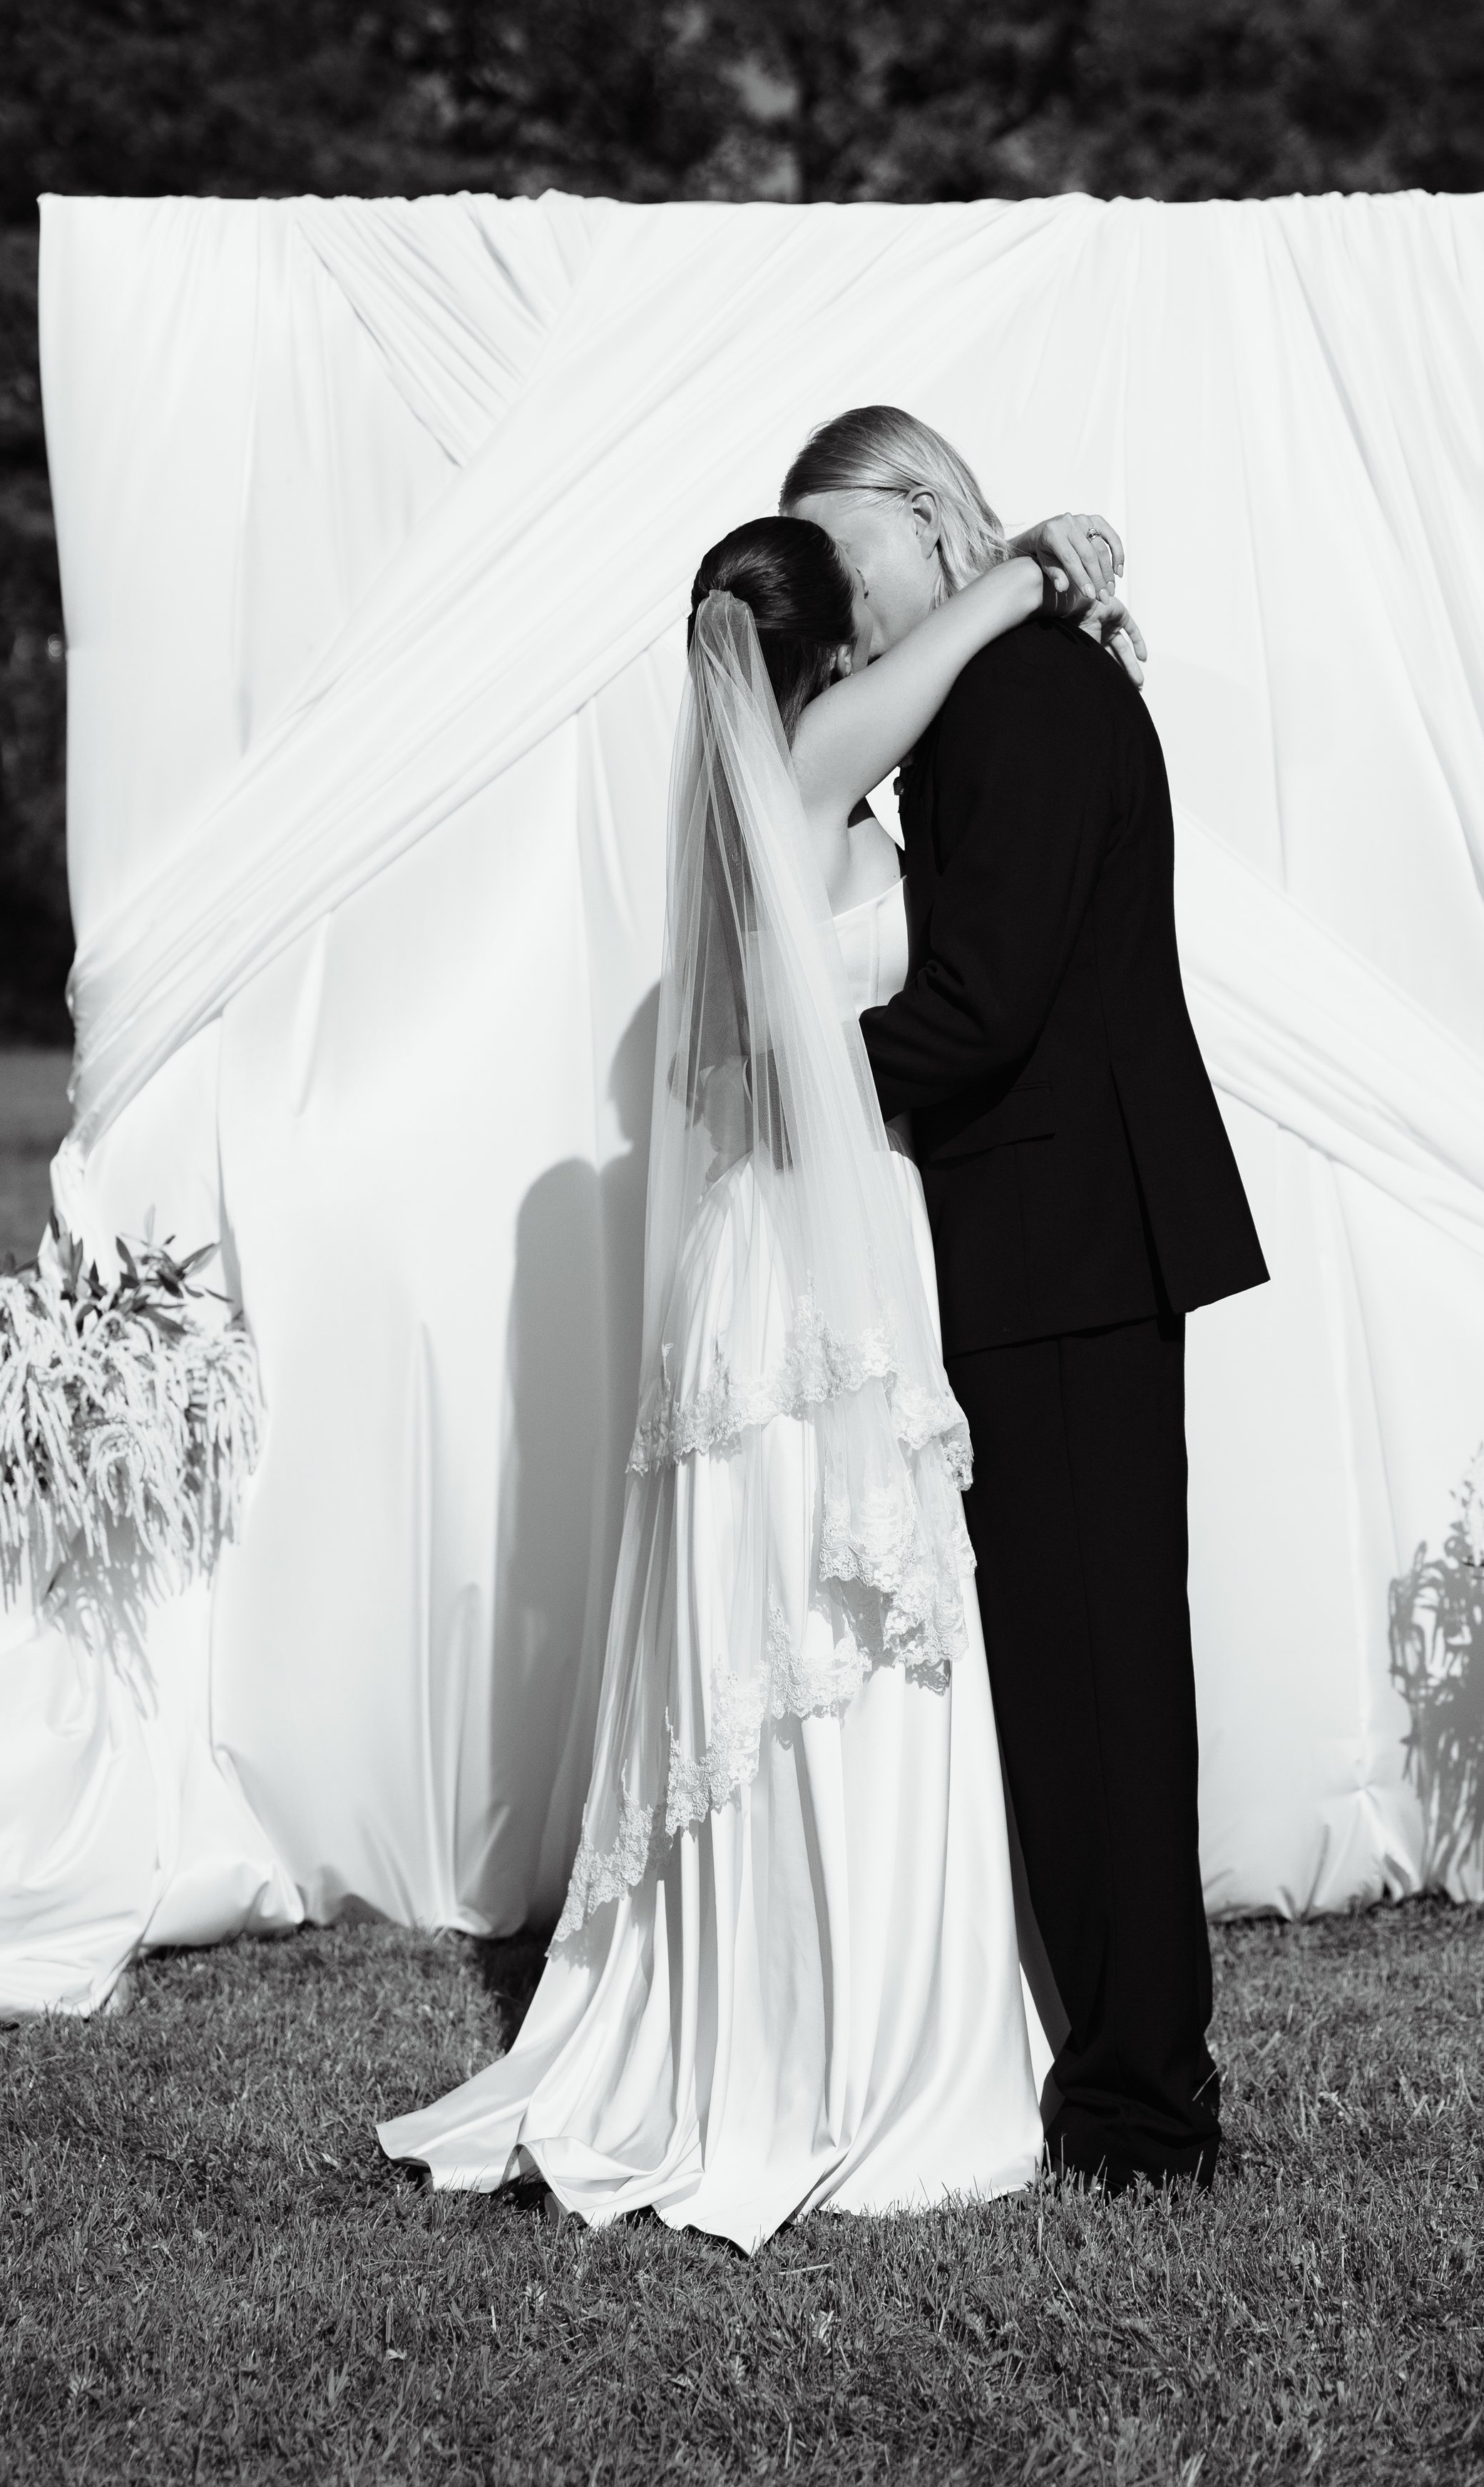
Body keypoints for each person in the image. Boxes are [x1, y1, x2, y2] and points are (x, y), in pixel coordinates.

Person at [378, 507, 1137, 2248]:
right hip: (817, 1269)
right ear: (823, 650)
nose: (886, 639)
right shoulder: (800, 762)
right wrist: (1032, 565)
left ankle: (778, 2017)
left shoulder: (740, 796)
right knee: (848, 1657)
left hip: (770, 1262)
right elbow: (939, 666)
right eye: (862, 615)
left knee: (801, 1646)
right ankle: (853, 2052)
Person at [784, 407, 1270, 2193]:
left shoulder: (1016, 700)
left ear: (927, 514)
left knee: (1100, 1690)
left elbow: (980, 1006)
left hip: (1066, 1241)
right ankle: (1123, 2070)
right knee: (1084, 1682)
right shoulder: (1013, 683)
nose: (839, 606)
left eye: (847, 555)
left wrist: (783, 1068)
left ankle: (1144, 2109)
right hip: (1063, 1234)